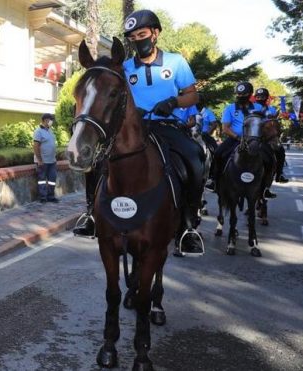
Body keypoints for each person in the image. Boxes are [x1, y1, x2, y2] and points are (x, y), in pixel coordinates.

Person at [75, 9, 206, 254]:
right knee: (97, 163)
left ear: (155, 33)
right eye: (132, 37)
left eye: (142, 34)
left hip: (168, 126)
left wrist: (173, 103)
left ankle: (188, 226)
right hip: (133, 128)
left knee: (195, 160)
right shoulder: (122, 67)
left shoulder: (176, 62)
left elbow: (193, 94)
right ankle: (91, 215)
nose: (138, 40)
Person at [209, 82, 263, 192]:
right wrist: (238, 138)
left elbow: (265, 124)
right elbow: (225, 128)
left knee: (270, 156)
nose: (241, 96)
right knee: (218, 153)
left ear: (250, 94)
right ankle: (214, 180)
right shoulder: (230, 108)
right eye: (238, 94)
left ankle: (266, 185)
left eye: (244, 94)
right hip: (235, 139)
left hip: (255, 140)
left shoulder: (259, 107)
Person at [255, 87, 289, 184]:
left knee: (281, 151)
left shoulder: (272, 109)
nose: (260, 98)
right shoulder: (250, 108)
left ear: (267, 98)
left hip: (268, 139)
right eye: (258, 96)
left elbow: (275, 124)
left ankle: (279, 174)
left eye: (263, 96)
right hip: (253, 136)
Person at [33, 113, 59, 203]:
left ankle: (51, 196)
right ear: (45, 120)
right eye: (50, 120)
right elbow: (36, 146)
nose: (51, 122)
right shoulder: (38, 131)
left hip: (52, 161)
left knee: (52, 179)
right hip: (42, 161)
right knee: (42, 180)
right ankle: (43, 198)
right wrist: (39, 160)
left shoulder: (50, 131)